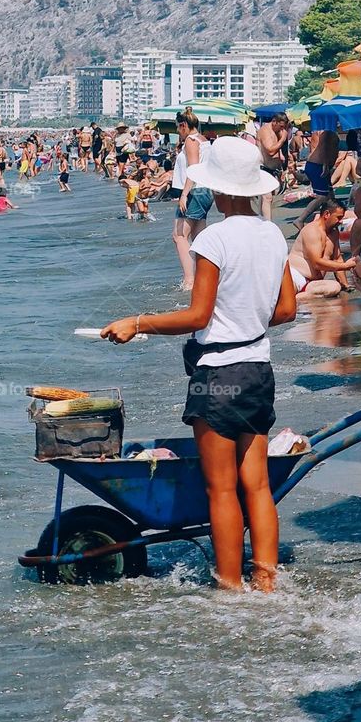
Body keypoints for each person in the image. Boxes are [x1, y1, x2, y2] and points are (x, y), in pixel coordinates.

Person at [102, 137, 296, 592]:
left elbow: (197, 317)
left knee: (222, 489)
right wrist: (247, 313)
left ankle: (229, 585)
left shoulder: (213, 238)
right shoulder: (272, 233)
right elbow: (286, 310)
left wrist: (137, 322)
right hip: (258, 368)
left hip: (219, 375)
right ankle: (265, 580)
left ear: (218, 189)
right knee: (258, 486)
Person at [171, 110, 213, 291]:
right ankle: (206, 278)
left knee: (179, 236)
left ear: (183, 126)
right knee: (199, 239)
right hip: (205, 191)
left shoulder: (191, 140)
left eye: (178, 128)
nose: (178, 133)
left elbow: (193, 168)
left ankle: (189, 281)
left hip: (195, 191)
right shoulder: (204, 140)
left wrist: (184, 194)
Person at [288, 199, 353, 299]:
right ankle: (292, 298)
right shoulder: (312, 230)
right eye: (338, 217)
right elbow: (316, 263)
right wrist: (346, 266)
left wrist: (345, 285)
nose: (340, 222)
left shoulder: (334, 233)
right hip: (296, 276)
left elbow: (337, 258)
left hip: (312, 283)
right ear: (327, 214)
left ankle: (297, 297)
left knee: (335, 287)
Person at [257, 114, 288, 221]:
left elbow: (275, 146)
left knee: (267, 198)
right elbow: (270, 150)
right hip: (263, 168)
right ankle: (268, 224)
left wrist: (281, 155)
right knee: (267, 197)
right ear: (274, 122)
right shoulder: (265, 131)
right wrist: (282, 140)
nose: (282, 130)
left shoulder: (276, 131)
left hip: (273, 169)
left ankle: (260, 220)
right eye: (281, 127)